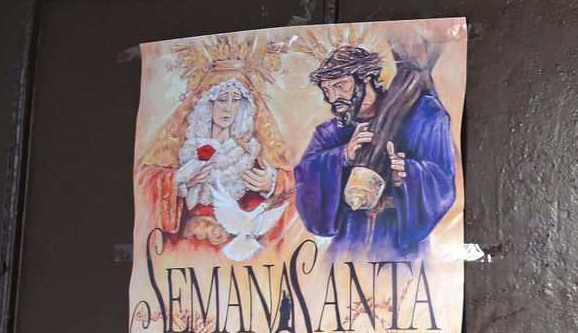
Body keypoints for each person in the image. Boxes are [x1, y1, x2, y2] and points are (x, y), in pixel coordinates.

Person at [295, 46, 456, 261]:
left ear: (367, 77)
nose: (333, 98)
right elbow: (305, 177)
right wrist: (342, 156)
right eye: (326, 90)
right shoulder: (330, 132)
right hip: (348, 244)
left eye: (340, 86)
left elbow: (443, 179)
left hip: (399, 247)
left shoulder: (422, 114)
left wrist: (407, 173)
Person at [137, 71, 294, 259]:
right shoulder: (186, 147)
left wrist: (272, 184)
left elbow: (296, 186)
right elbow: (143, 182)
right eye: (221, 100)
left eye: (235, 100)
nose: (228, 108)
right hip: (185, 249)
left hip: (234, 253)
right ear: (207, 103)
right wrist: (178, 180)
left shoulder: (249, 153)